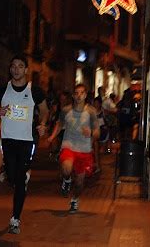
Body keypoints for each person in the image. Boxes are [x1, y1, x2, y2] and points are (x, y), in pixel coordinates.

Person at [0, 54, 49, 234]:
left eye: (20, 66)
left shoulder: (35, 91)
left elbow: (45, 111)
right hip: (7, 139)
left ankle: (15, 218)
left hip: (27, 140)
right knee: (13, 177)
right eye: (13, 66)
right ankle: (20, 178)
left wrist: (43, 124)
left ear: (26, 70)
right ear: (10, 69)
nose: (16, 69)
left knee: (19, 180)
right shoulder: (1, 90)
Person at [48, 84, 99, 213]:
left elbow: (97, 131)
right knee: (66, 168)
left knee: (80, 183)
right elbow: (59, 124)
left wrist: (91, 133)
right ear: (73, 95)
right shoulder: (66, 110)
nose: (79, 95)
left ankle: (75, 199)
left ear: (85, 95)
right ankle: (66, 179)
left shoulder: (91, 112)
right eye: (76, 93)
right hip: (69, 145)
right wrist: (51, 137)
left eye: (82, 93)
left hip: (84, 150)